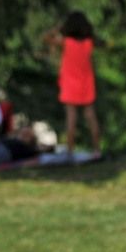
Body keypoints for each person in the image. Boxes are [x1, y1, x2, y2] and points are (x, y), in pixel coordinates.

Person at [50, 11, 101, 158]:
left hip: (70, 84)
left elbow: (47, 38)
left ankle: (70, 151)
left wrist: (57, 29)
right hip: (86, 84)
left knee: (71, 118)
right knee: (91, 116)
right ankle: (97, 149)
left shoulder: (66, 42)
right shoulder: (89, 43)